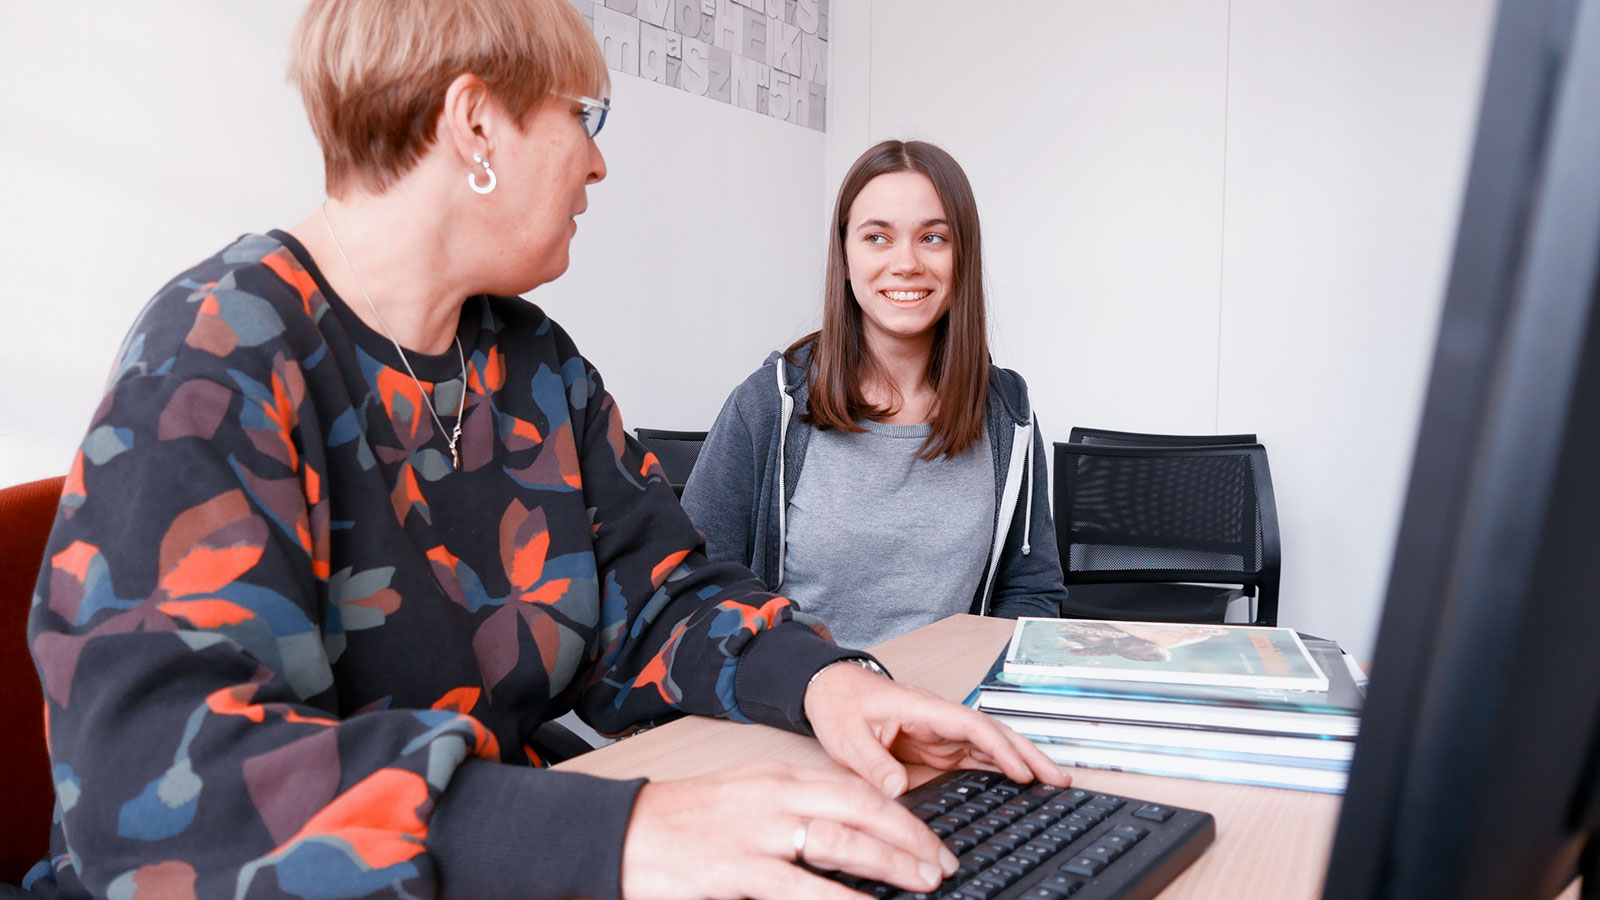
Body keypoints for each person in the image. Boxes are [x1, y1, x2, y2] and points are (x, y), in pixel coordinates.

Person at [21, 5, 1065, 899]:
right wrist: (623, 834)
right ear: (477, 123)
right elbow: (163, 788)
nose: (599, 161)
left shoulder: (529, 361)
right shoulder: (218, 354)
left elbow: (657, 597)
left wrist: (829, 685)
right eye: (582, 117)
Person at [681, 141, 1069, 651]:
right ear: (845, 257)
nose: (906, 263)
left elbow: (1030, 590)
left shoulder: (1005, 412)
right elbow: (695, 594)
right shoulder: (768, 404)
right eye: (877, 237)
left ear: (963, 257)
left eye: (933, 237)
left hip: (947, 708)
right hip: (794, 705)